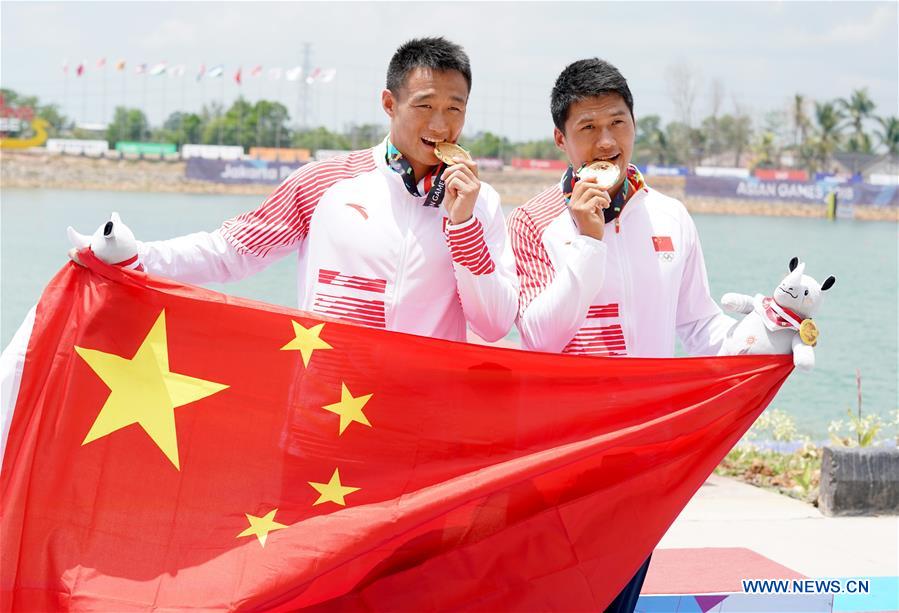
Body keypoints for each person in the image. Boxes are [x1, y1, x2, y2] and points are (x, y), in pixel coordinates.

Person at [0, 37, 518, 461]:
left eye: (455, 110)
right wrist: (136, 259)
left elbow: (494, 323)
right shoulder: (326, 182)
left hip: (422, 428)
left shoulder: (481, 202)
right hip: (325, 419)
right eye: (424, 106)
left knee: (415, 583)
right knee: (311, 574)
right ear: (389, 104)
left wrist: (463, 223)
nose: (440, 125)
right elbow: (233, 250)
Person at [507, 58, 736, 612]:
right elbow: (539, 336)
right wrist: (588, 240)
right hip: (562, 457)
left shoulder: (670, 216)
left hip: (643, 458)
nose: (607, 143)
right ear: (561, 139)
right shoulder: (532, 222)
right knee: (561, 596)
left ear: (635, 126)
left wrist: (766, 335)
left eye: (618, 124)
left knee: (620, 599)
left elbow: (700, 325)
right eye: (588, 129)